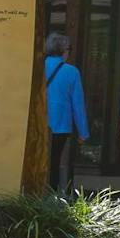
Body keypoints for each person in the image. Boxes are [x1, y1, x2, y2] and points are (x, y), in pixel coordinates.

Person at [42, 33, 89, 195]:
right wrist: (83, 132)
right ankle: (51, 195)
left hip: (39, 122)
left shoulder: (38, 66)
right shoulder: (72, 72)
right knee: (54, 162)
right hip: (60, 125)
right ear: (63, 51)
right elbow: (78, 104)